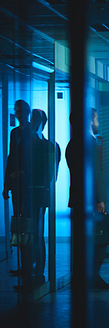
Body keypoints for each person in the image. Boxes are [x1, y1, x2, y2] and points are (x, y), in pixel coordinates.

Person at [66, 108, 109, 289]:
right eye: (96, 119)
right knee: (100, 240)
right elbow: (95, 173)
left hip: (79, 199)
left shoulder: (73, 143)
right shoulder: (88, 141)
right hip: (91, 200)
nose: (98, 123)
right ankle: (93, 277)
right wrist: (100, 199)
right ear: (88, 121)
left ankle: (84, 277)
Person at [3, 100, 33, 292]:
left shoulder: (31, 131)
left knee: (27, 225)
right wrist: (6, 185)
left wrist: (22, 172)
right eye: (16, 111)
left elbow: (32, 158)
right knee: (19, 225)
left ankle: (29, 265)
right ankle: (24, 265)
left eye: (20, 111)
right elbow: (10, 156)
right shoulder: (15, 133)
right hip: (16, 185)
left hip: (27, 185)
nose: (18, 114)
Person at [30, 109, 61, 287]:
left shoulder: (49, 145)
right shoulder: (47, 145)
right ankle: (35, 270)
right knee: (33, 232)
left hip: (39, 193)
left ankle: (38, 270)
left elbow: (52, 174)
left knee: (37, 232)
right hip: (35, 192)